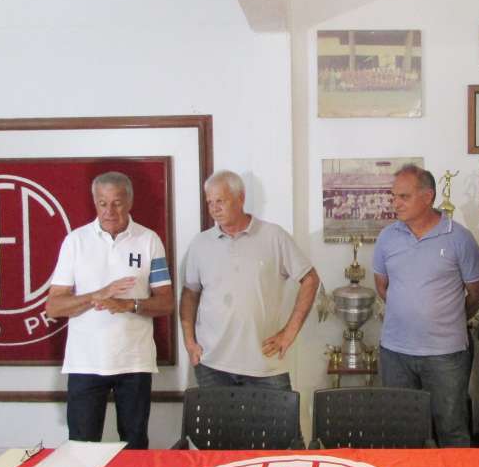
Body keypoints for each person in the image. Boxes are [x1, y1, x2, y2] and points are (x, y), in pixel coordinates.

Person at [45, 171, 173, 450]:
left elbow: (166, 302)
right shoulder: (76, 241)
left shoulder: (149, 240)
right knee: (82, 449)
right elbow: (53, 306)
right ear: (94, 202)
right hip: (85, 363)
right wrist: (97, 295)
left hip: (134, 362)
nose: (109, 211)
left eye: (116, 202)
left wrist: (130, 304)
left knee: (135, 448)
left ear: (130, 201)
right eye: (102, 203)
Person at [372, 165, 479, 447]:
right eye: (393, 196)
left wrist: (448, 320)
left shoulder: (459, 237)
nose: (395, 203)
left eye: (403, 196)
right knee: (399, 430)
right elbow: (382, 286)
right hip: (395, 352)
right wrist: (411, 311)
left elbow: (476, 291)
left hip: (446, 355)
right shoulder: (387, 237)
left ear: (427, 197)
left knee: (451, 428)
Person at [180, 170, 319, 389]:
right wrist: (189, 342)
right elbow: (189, 294)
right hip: (212, 364)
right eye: (209, 202)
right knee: (219, 425)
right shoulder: (200, 243)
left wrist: (288, 333)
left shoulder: (274, 236)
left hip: (265, 364)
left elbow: (310, 279)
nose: (214, 208)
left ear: (240, 198)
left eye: (220, 201)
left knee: (281, 424)